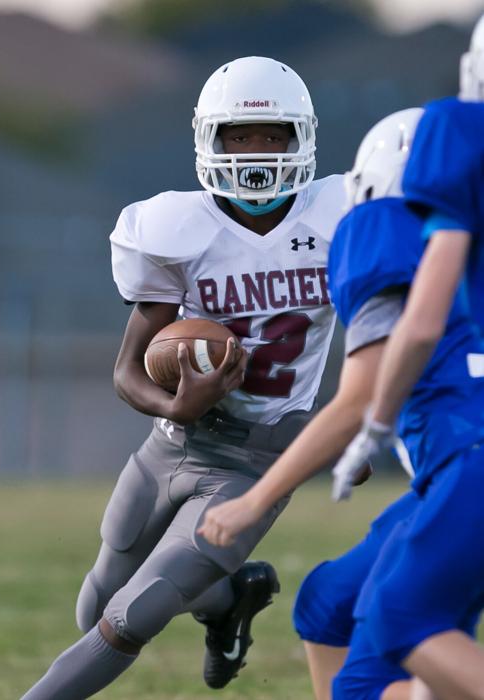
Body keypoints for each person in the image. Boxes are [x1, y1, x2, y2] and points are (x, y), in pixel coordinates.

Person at [20, 56, 348, 699]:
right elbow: (127, 372)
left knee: (128, 618)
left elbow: (381, 339)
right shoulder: (175, 227)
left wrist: (356, 430)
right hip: (171, 445)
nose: (257, 151)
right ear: (209, 139)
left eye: (272, 135)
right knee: (94, 609)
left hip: (257, 459)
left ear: (302, 137)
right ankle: (229, 600)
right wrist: (179, 402)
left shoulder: (341, 217)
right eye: (240, 136)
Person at [199, 107, 454, 700]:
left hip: (462, 469)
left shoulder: (378, 238)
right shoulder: (456, 247)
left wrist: (256, 498)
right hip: (442, 477)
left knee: (406, 629)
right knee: (327, 605)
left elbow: (358, 396)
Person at [330, 13, 484, 700]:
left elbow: (418, 325)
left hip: (465, 439)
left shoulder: (457, 137)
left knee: (401, 613)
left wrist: (375, 425)